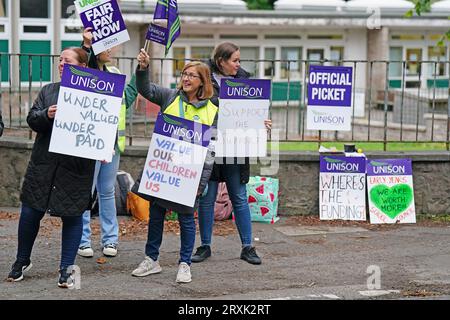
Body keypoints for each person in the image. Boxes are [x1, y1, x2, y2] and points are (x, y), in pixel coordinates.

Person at [6, 47, 95, 288]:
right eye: (60, 61)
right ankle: (22, 260)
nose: (61, 64)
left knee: (73, 215)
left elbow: (102, 126)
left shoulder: (95, 94)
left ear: (83, 67)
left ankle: (67, 268)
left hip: (76, 166)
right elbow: (32, 120)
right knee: (30, 213)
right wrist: (46, 114)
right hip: (44, 164)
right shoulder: (49, 91)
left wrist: (103, 147)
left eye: (67, 61)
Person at [131, 49, 218, 283]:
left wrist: (200, 183)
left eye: (192, 75)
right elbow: (145, 89)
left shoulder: (212, 111)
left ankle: (184, 264)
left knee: (186, 219)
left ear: (203, 81)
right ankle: (151, 260)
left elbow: (211, 150)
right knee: (156, 215)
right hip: (164, 171)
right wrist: (143, 68)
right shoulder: (170, 97)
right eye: (184, 74)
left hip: (189, 175)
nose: (186, 79)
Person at [192, 42, 272, 265]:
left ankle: (248, 247)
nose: (239, 64)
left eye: (239, 60)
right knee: (207, 199)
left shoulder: (244, 78)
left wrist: (262, 122)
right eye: (234, 60)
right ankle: (205, 246)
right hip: (210, 144)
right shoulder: (203, 76)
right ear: (221, 62)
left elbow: (256, 110)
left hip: (236, 147)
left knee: (239, 196)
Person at [77, 28, 138, 258]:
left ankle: (110, 240)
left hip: (111, 145)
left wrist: (141, 71)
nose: (112, 49)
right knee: (86, 192)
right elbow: (81, 68)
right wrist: (85, 44)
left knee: (107, 192)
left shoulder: (113, 71)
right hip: (90, 142)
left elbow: (127, 98)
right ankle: (82, 240)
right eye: (106, 45)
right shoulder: (88, 71)